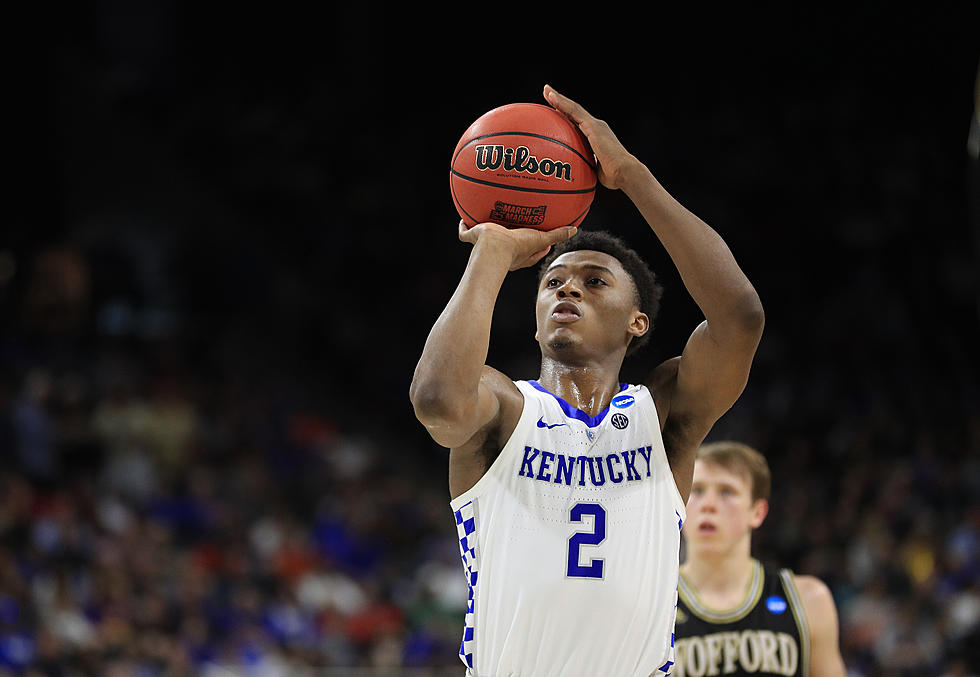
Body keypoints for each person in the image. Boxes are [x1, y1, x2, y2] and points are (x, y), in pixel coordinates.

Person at [410, 84, 765, 676]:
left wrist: (633, 178)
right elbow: (436, 400)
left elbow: (740, 318)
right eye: (552, 283)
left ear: (638, 322)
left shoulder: (664, 418)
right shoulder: (504, 408)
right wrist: (492, 252)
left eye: (595, 281)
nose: (567, 288)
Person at [674, 442, 846, 677]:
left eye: (727, 491)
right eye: (697, 490)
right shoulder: (652, 605)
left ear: (757, 512)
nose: (709, 505)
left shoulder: (808, 600)